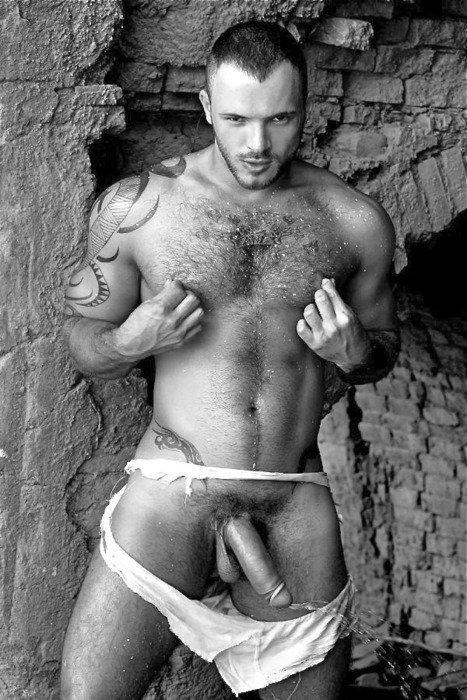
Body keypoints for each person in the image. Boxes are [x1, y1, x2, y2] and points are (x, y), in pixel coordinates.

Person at [60, 20, 400, 700]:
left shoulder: (354, 221)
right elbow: (81, 338)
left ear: (305, 109)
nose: (257, 144)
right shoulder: (137, 208)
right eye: (238, 119)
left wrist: (354, 351)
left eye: (279, 119)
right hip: (169, 498)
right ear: (206, 105)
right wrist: (129, 343)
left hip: (292, 502)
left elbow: (382, 350)